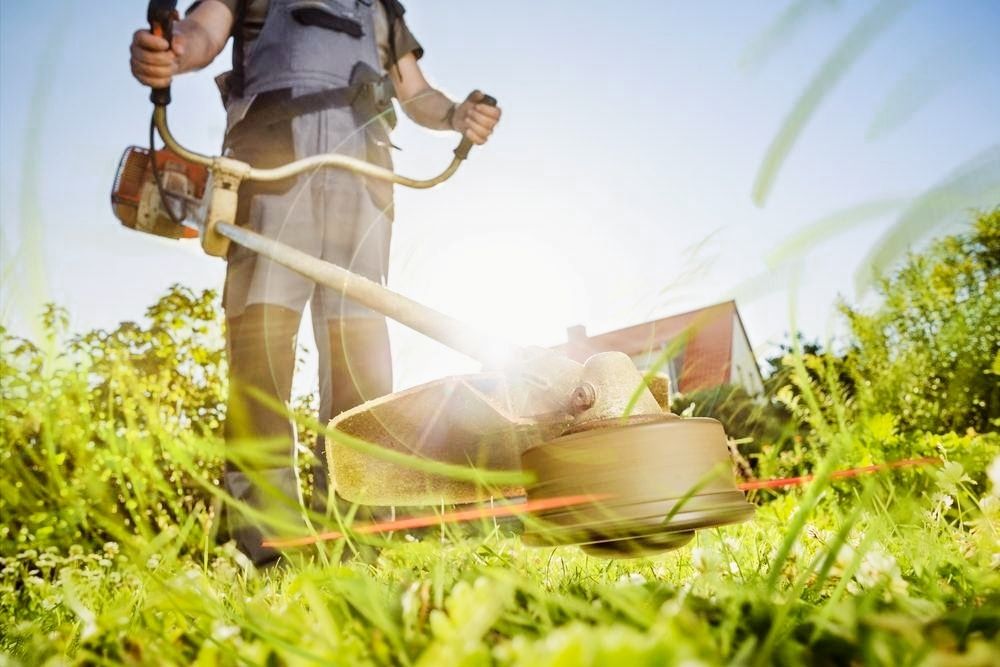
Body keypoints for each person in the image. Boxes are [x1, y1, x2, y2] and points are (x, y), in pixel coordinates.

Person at [129, 0, 502, 565]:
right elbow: (200, 32)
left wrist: (456, 115)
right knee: (261, 359)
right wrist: (173, 53)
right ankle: (265, 552)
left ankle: (362, 548)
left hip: (365, 176)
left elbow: (416, 91)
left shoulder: (381, 8)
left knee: (362, 367)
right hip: (272, 165)